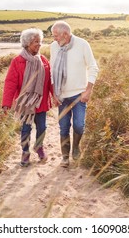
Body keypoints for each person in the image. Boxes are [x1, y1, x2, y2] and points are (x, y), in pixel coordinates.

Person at [50, 21, 99, 168]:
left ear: (65, 34)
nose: (54, 39)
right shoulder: (54, 47)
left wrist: (88, 89)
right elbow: (52, 71)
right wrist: (54, 94)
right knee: (63, 127)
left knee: (79, 125)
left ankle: (76, 147)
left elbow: (93, 67)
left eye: (56, 36)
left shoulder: (82, 44)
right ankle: (65, 156)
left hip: (79, 94)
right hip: (62, 96)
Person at [2, 28, 53, 167]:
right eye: (36, 42)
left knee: (42, 127)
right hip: (25, 104)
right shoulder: (17, 61)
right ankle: (25, 152)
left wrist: (55, 96)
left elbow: (49, 81)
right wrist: (6, 102)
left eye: (40, 41)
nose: (39, 44)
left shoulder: (43, 60)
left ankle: (39, 146)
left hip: (41, 102)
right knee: (26, 129)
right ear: (27, 43)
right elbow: (10, 83)